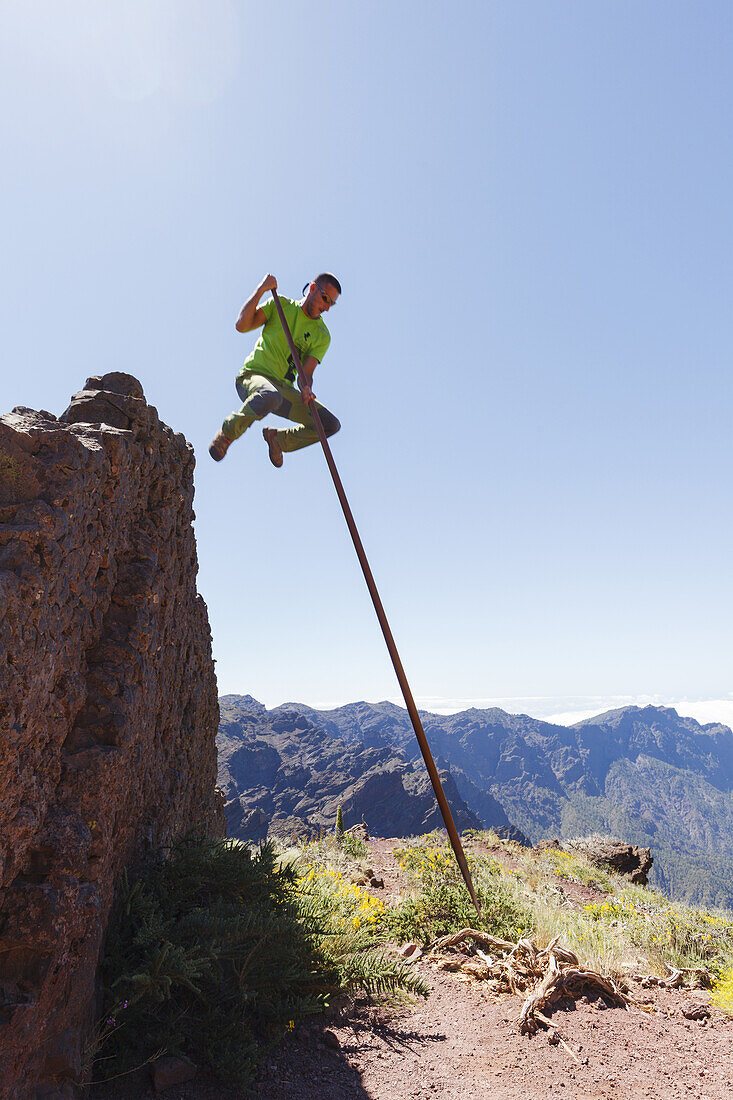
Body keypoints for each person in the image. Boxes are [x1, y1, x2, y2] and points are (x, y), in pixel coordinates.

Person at [209, 272, 341, 468]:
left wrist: (306, 388)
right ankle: (227, 433)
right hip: (253, 377)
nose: (327, 307)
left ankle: (278, 440)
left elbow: (307, 373)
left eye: (332, 304)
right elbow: (241, 326)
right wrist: (261, 289)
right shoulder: (280, 306)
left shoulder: (322, 336)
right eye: (325, 299)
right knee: (270, 395)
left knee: (330, 424)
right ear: (312, 289)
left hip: (282, 391)